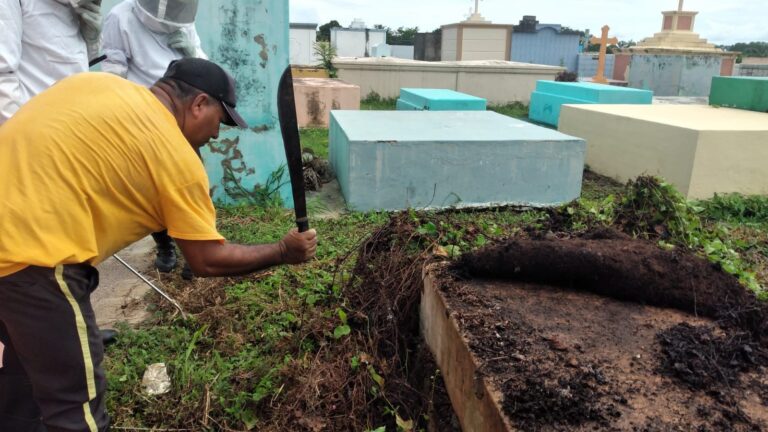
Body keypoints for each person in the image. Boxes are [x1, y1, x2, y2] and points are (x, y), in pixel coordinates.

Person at [0, 58, 318, 432]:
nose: (217, 135)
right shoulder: (175, 156)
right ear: (198, 103)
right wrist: (283, 251)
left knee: (25, 372)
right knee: (75, 407)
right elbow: (206, 259)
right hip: (34, 258)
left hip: (13, 249)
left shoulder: (96, 85)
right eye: (221, 119)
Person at [102, 0, 207, 276]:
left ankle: (195, 252)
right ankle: (164, 245)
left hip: (183, 116)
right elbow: (114, 71)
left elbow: (202, 64)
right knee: (151, 192)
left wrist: (192, 52)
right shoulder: (120, 17)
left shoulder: (184, 18)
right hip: (143, 117)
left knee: (193, 185)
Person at [0, 0, 102, 125]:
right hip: (38, 128)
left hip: (77, 121)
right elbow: (3, 74)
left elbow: (75, 61)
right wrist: (19, 134)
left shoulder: (73, 5)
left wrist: (92, 40)